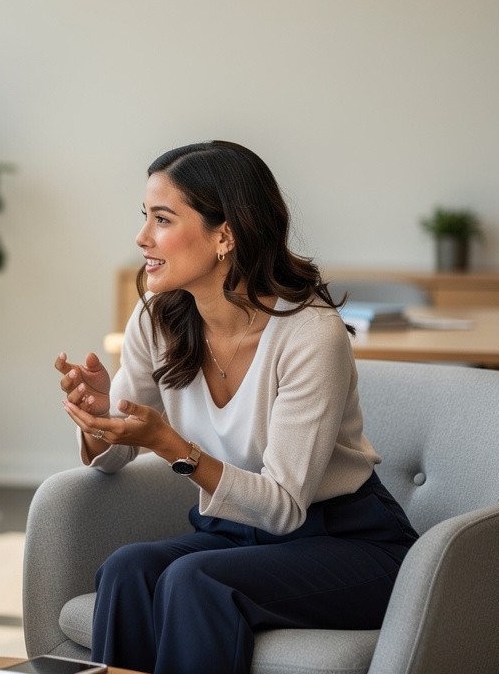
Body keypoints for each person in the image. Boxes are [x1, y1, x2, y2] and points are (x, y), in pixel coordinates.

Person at [53, 140, 418, 674]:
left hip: (348, 542)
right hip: (234, 533)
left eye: (162, 219)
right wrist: (101, 421)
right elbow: (112, 459)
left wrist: (168, 445)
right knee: (126, 569)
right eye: (144, 217)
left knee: (194, 579)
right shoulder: (157, 318)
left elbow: (285, 507)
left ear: (225, 235)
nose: (141, 237)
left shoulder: (309, 334)